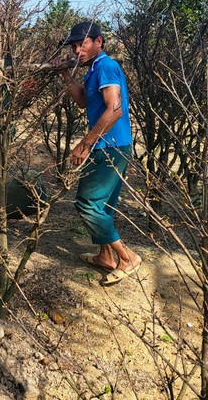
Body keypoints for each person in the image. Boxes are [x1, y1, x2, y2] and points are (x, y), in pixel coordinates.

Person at [58, 21, 142, 284]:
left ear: (98, 42)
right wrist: (65, 75)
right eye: (74, 46)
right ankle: (106, 257)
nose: (76, 51)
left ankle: (127, 257)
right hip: (112, 145)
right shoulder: (94, 69)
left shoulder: (106, 67)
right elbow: (84, 100)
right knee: (103, 205)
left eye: (81, 44)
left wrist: (85, 144)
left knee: (87, 203)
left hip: (110, 146)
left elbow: (114, 110)